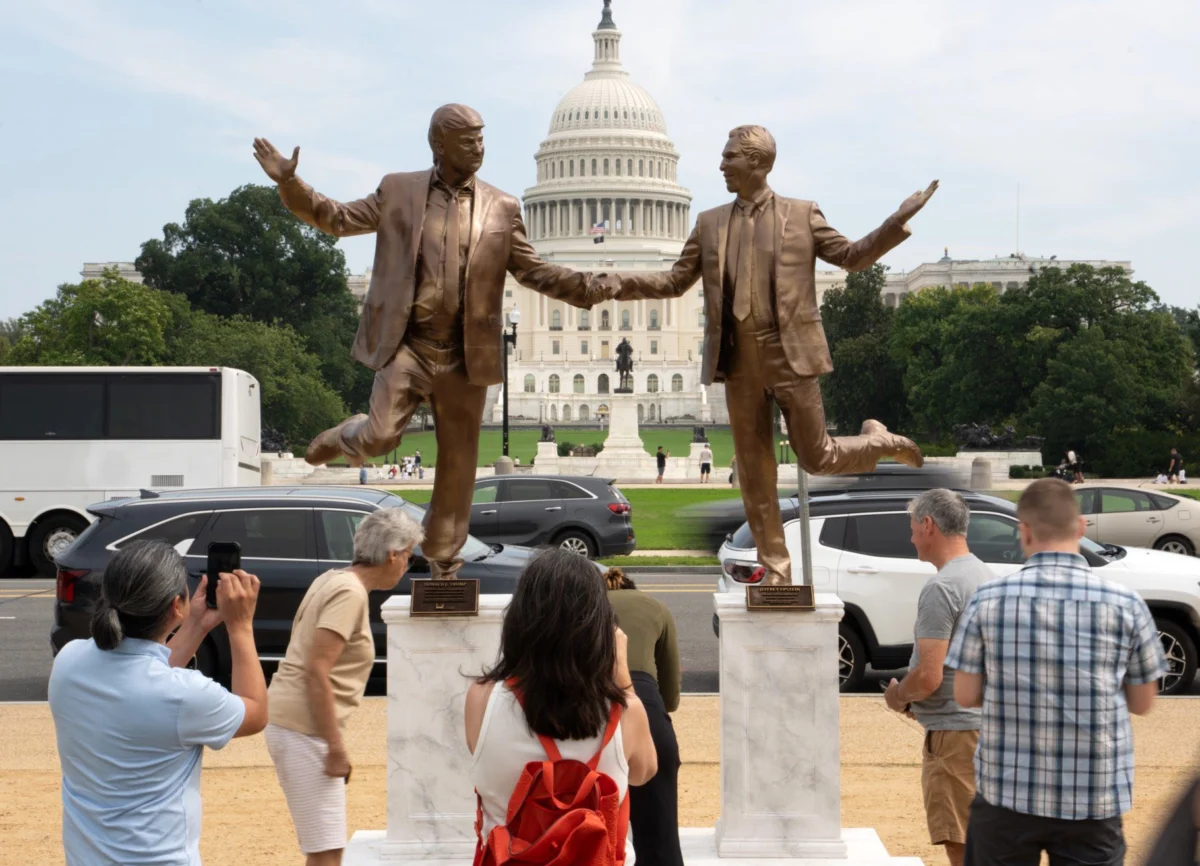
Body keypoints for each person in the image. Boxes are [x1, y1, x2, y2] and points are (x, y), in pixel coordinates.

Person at [256, 104, 610, 581]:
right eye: (468, 141)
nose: (479, 149)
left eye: (483, 139)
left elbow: (533, 270)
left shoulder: (502, 207)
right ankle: (345, 435)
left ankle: (444, 565)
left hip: (466, 355)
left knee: (458, 469)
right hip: (409, 343)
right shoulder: (398, 190)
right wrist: (290, 184)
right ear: (439, 145)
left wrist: (587, 287)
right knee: (381, 436)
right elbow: (337, 218)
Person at [608, 124, 933, 585]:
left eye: (730, 157)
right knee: (755, 477)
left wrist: (894, 223)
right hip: (739, 361)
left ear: (757, 162)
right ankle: (777, 572)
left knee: (816, 457)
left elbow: (853, 257)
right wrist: (618, 283)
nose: (721, 165)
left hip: (789, 353)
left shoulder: (801, 215)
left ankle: (879, 442)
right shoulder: (709, 222)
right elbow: (674, 282)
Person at [946, 478, 1167, 866]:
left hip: (1007, 792)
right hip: (1094, 796)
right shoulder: (1125, 603)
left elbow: (965, 695)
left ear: (1024, 531)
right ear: (1081, 528)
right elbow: (1143, 703)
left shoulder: (989, 599)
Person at [48, 541, 267, 865]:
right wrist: (240, 625)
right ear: (176, 605)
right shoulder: (184, 695)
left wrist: (196, 623)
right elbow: (256, 711)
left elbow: (146, 678)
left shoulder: (69, 662)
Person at [466, 550, 657, 854]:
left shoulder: (482, 698)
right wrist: (623, 679)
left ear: (518, 620)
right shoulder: (626, 712)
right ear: (600, 627)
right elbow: (643, 773)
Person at [266, 508, 424, 866]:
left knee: (326, 848)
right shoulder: (349, 592)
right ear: (392, 554)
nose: (407, 566)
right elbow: (316, 670)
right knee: (327, 851)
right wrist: (335, 747)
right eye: (409, 557)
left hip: (296, 722)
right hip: (304, 727)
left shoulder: (333, 579)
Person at [884, 489, 990, 866]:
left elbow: (929, 676)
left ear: (928, 525)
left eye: (913, 527)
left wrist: (898, 697)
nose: (911, 537)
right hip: (987, 726)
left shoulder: (942, 587)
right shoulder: (984, 575)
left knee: (961, 844)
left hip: (955, 736)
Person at [604, 567, 684, 866]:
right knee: (660, 838)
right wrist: (665, 709)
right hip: (646, 705)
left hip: (593, 707)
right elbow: (670, 682)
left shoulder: (588, 606)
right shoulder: (656, 607)